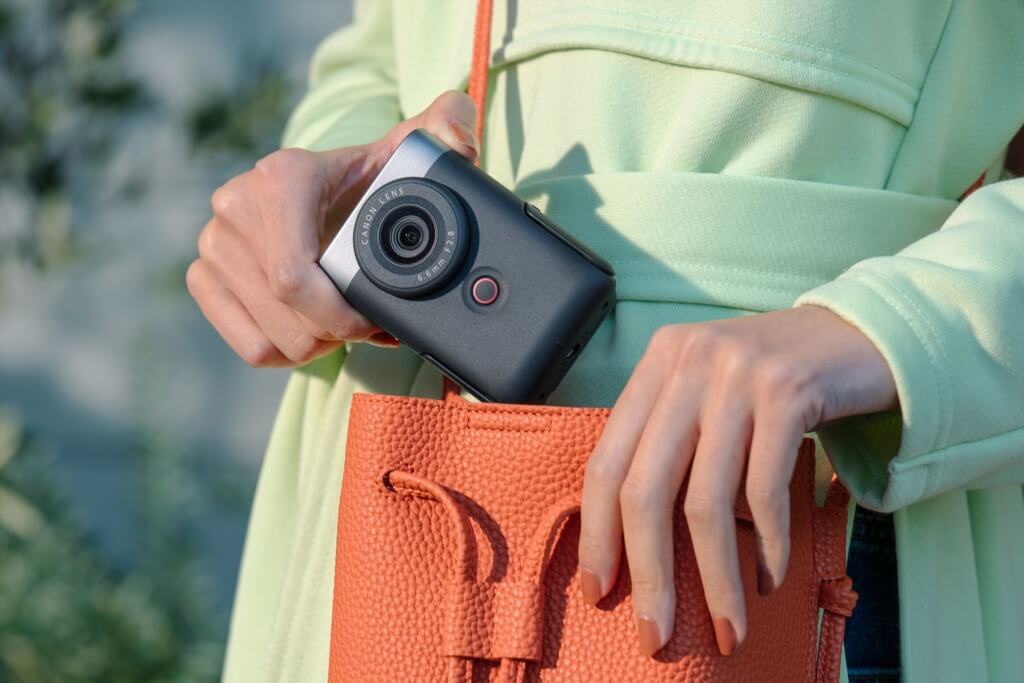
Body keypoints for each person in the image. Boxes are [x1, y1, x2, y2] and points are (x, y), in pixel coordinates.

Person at [187, 3, 1024, 682]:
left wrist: (885, 329)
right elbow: (382, 53)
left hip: (790, 479)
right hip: (400, 459)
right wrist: (319, 190)